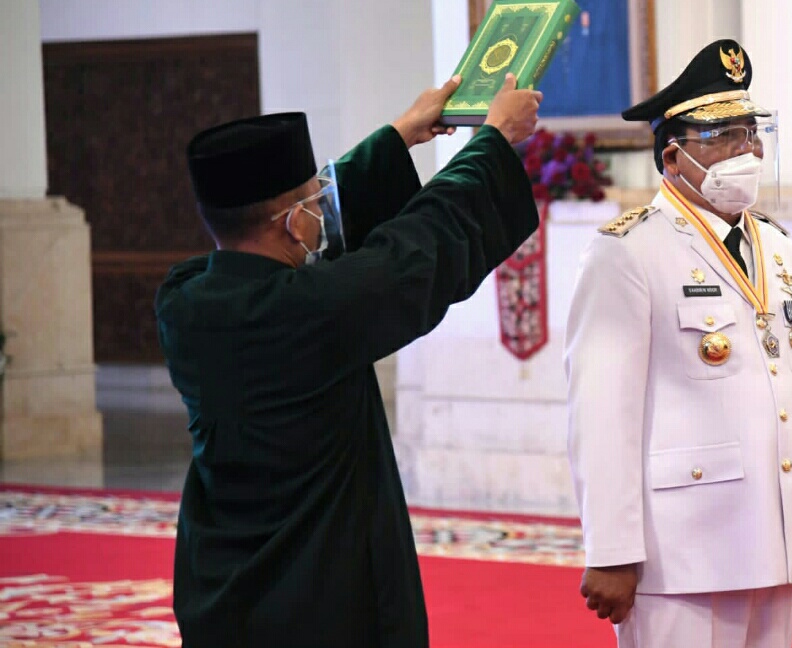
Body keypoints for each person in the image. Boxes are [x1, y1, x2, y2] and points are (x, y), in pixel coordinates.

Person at [156, 73, 542, 647]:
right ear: (294, 222)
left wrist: (399, 134)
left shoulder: (182, 300)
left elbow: (306, 233)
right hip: (318, 595)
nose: (323, 207)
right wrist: (492, 140)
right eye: (315, 201)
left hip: (222, 586)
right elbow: (420, 244)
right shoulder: (311, 311)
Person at [564, 39, 792, 648]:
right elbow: (601, 414)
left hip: (774, 533)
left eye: (751, 134)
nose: (747, 151)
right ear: (674, 156)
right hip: (680, 550)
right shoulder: (629, 252)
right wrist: (612, 550)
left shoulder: (778, 247)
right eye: (724, 136)